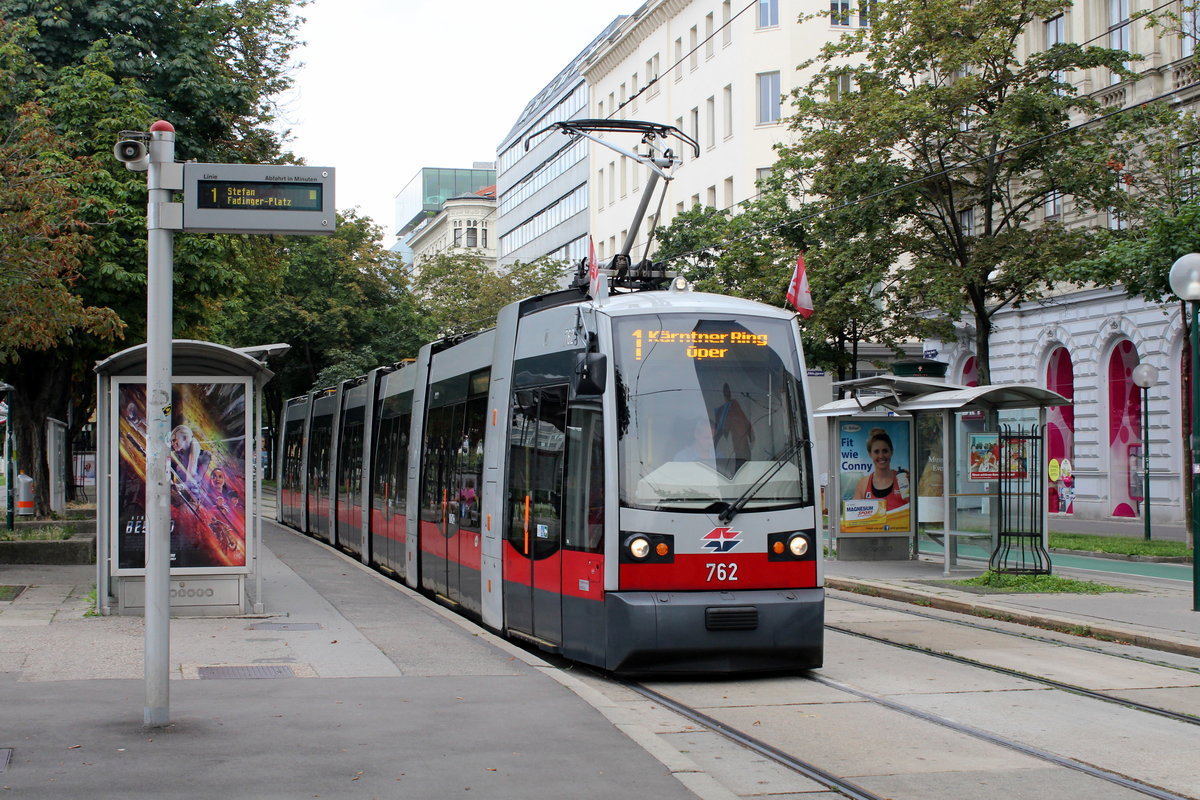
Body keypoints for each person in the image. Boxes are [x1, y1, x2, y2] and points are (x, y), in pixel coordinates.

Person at [852, 428, 909, 508]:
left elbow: (917, 506)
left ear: (891, 452)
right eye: (876, 452)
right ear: (870, 454)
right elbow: (853, 511)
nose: (881, 456)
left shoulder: (903, 479)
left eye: (885, 451)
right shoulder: (863, 483)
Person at [713, 383, 754, 462]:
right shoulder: (723, 411)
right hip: (734, 448)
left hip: (741, 447)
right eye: (726, 393)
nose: (727, 395)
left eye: (728, 392)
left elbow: (749, 431)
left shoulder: (734, 408)